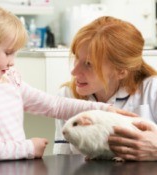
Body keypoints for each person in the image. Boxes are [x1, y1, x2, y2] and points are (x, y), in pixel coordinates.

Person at [0, 2, 131, 161]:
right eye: (8, 53)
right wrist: (27, 148)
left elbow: (55, 105)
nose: (12, 62)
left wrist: (102, 109)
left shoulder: (10, 81)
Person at [53, 16, 157, 161]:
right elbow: (63, 161)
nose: (74, 72)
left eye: (89, 64)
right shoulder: (67, 95)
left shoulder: (152, 90)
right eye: (77, 58)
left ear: (121, 71)